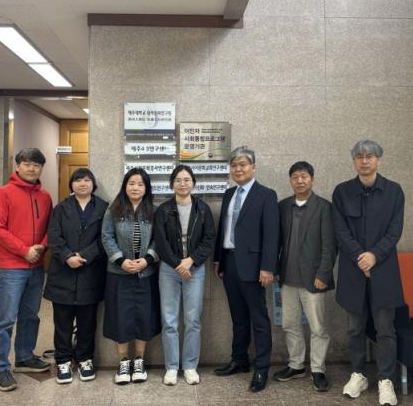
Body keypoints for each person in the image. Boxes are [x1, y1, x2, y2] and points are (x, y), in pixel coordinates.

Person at [333, 140, 405, 406]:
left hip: (383, 269)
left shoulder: (394, 191)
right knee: (355, 328)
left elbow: (395, 230)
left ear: (379, 160)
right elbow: (340, 230)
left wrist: (374, 255)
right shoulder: (342, 192)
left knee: (385, 329)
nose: (365, 161)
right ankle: (359, 374)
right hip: (353, 271)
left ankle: (386, 380)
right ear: (354, 161)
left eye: (370, 156)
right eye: (360, 157)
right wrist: (359, 257)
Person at [213, 147, 279, 393]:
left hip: (254, 267)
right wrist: (219, 260)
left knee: (258, 319)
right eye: (234, 166)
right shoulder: (229, 194)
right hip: (229, 263)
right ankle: (239, 359)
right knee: (238, 317)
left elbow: (272, 234)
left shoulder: (266, 195)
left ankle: (261, 368)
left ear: (253, 167)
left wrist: (268, 267)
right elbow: (223, 229)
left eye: (243, 164)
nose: (238, 169)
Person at [0, 148, 53, 392]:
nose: (32, 168)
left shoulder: (45, 197)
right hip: (11, 267)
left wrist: (42, 246)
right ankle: (0, 368)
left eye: (37, 165)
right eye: (27, 164)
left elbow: (50, 227)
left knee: (30, 315)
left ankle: (24, 357)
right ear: (18, 166)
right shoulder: (3, 193)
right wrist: (24, 250)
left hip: (36, 266)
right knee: (6, 319)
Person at [274, 161, 337, 392]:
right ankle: (296, 365)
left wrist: (323, 274)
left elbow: (330, 245)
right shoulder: (283, 206)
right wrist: (275, 268)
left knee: (318, 327)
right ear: (290, 180)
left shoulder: (324, 207)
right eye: (295, 177)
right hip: (287, 279)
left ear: (312, 179)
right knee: (290, 324)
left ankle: (318, 369)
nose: (300, 181)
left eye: (304, 176)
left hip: (313, 278)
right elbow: (276, 241)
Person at [44, 168, 108, 385]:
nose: (82, 183)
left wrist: (85, 255)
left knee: (87, 322)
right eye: (78, 180)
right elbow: (53, 236)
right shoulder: (61, 208)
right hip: (63, 273)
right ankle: (63, 360)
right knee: (62, 321)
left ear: (93, 184)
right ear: (71, 184)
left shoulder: (103, 208)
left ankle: (85, 359)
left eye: (87, 180)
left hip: (90, 273)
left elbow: (105, 238)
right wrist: (67, 256)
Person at [154, 165, 216, 386]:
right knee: (169, 320)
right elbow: (160, 242)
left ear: (193, 183)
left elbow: (209, 239)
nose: (182, 183)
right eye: (178, 180)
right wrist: (178, 264)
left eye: (187, 179)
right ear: (172, 184)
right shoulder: (164, 210)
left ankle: (190, 366)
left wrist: (191, 260)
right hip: (169, 270)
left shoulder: (203, 209)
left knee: (193, 320)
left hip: (195, 269)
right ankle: (171, 367)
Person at [101, 168, 160, 385]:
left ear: (146, 188)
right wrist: (121, 261)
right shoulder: (113, 210)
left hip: (145, 273)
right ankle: (123, 362)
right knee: (121, 317)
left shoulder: (154, 211)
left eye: (140, 184)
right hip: (119, 274)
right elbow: (106, 237)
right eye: (132, 183)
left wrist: (147, 259)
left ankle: (139, 361)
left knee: (144, 317)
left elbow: (159, 239)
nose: (135, 188)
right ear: (125, 186)